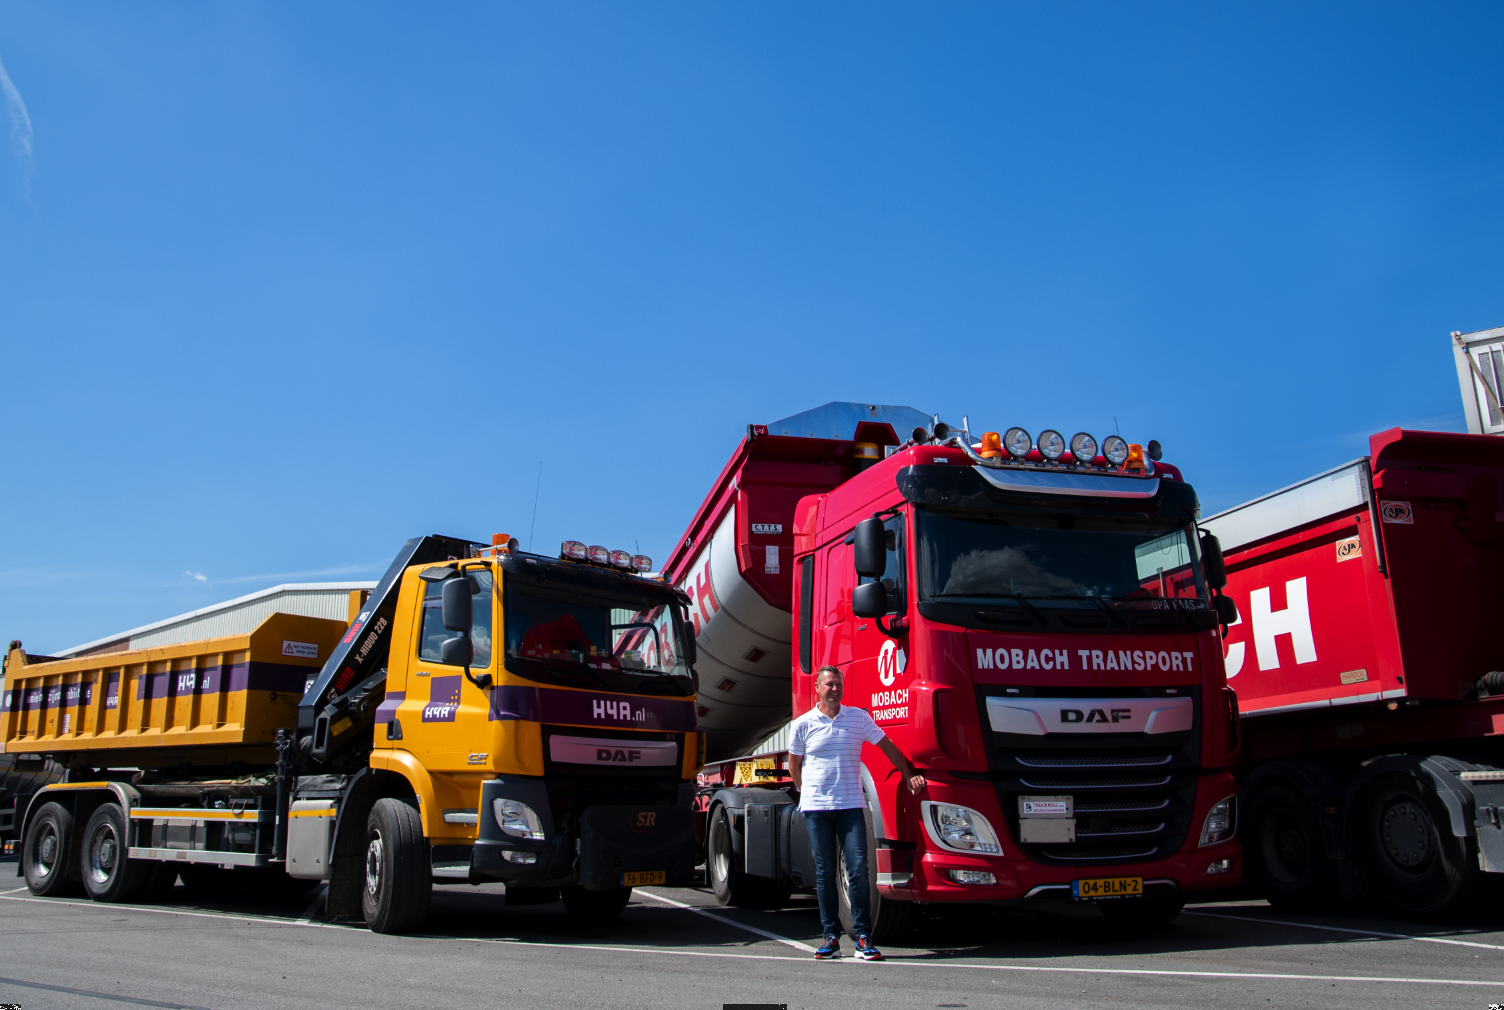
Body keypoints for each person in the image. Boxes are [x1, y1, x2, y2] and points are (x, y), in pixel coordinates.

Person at [789, 665, 925, 961]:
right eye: (829, 684)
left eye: (838, 683)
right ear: (817, 688)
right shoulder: (802, 724)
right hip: (817, 810)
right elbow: (794, 766)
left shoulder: (858, 718)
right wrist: (808, 794)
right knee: (825, 873)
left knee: (859, 870)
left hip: (851, 806)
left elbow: (887, 745)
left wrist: (908, 774)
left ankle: (863, 938)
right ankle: (830, 938)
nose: (835, 688)